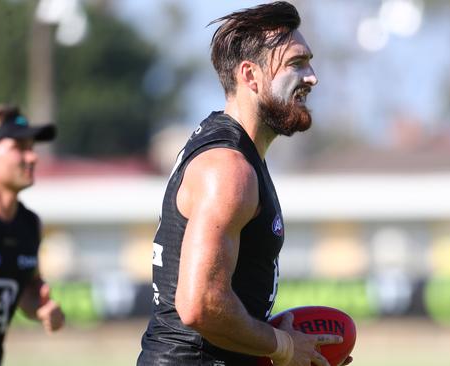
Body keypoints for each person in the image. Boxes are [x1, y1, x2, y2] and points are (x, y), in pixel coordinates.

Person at [138, 2, 352, 366]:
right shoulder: (229, 168)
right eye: (296, 64)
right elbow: (200, 305)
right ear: (250, 76)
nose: (312, 77)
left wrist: (289, 351)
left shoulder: (237, 153)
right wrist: (283, 346)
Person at [0, 104, 65, 366]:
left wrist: (40, 307)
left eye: (31, 148)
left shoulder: (28, 224)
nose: (32, 157)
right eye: (19, 148)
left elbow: (27, 288)